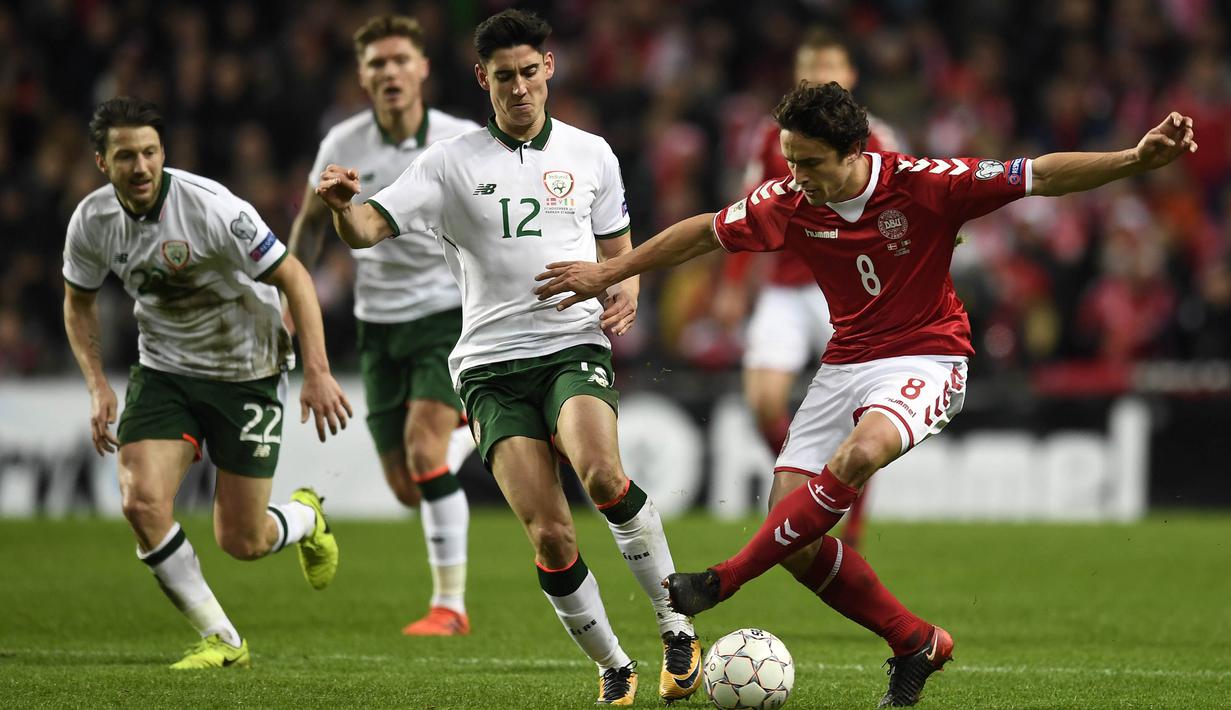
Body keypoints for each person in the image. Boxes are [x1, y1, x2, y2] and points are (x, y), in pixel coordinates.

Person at [535, 82, 1197, 706]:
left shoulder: (926, 186)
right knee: (792, 535)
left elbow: (1040, 175)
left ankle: (723, 579)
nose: (796, 177)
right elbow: (704, 231)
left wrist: (1135, 158)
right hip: (846, 360)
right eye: (789, 160)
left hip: (929, 356)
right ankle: (914, 642)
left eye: (810, 163)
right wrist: (612, 269)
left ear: (857, 152)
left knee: (858, 454)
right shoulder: (787, 201)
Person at [314, 9, 702, 706]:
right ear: (480, 79)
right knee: (550, 536)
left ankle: (675, 626)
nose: (519, 88)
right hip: (488, 367)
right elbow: (368, 229)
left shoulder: (591, 154)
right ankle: (614, 662)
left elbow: (621, 252)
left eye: (529, 72)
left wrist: (627, 291)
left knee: (603, 474)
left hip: (569, 345)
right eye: (503, 77)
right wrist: (344, 206)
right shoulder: (447, 163)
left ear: (548, 68)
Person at [62, 97, 354, 669]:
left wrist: (316, 369)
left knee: (242, 541)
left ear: (163, 152)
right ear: (103, 162)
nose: (141, 166)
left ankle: (304, 518)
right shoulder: (91, 223)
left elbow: (293, 275)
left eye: (149, 152)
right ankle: (223, 640)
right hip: (165, 370)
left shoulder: (212, 208)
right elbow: (78, 305)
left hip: (247, 370)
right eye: (126, 156)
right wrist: (98, 385)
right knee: (141, 502)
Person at [287, 14, 479, 637]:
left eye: (401, 60)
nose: (390, 72)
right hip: (378, 325)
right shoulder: (343, 143)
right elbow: (313, 226)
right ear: (363, 76)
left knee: (426, 453)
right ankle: (483, 423)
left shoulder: (460, 138)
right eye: (377, 63)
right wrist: (291, 295)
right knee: (407, 486)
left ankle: (449, 608)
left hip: (446, 312)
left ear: (423, 68)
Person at [714, 27, 904, 550]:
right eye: (811, 71)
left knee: (862, 421)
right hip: (785, 288)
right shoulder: (774, 137)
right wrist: (733, 283)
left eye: (830, 69)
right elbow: (746, 206)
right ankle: (820, 486)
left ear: (851, 76)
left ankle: (853, 522)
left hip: (849, 290)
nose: (821, 79)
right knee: (762, 401)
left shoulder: (878, 139)